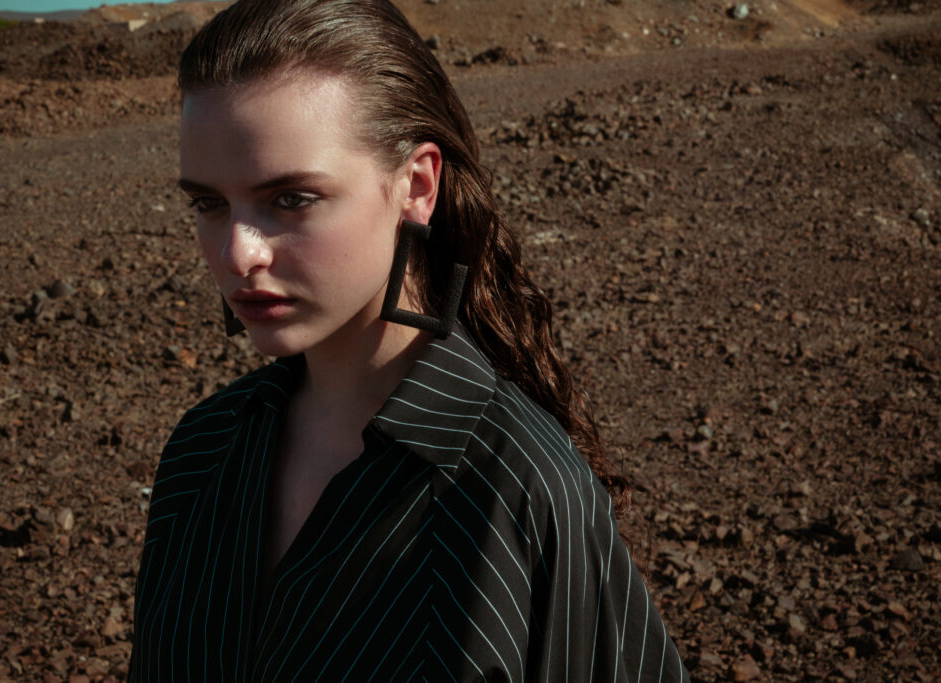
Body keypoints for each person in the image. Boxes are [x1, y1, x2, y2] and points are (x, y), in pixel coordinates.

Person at [128, 0, 689, 680]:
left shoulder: (518, 488)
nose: (238, 253)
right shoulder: (202, 450)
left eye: (291, 199)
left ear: (417, 186)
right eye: (209, 204)